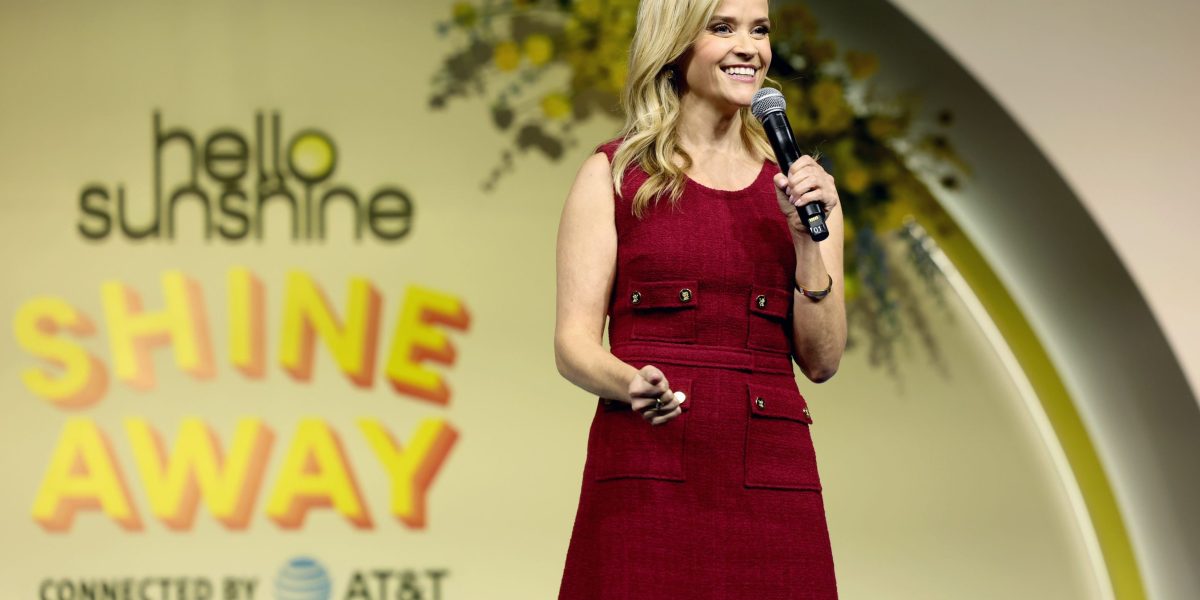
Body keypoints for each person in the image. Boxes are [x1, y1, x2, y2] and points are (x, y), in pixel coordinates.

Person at [554, 0, 845, 597]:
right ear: (676, 43)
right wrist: (628, 383)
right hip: (646, 469)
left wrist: (806, 240)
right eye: (723, 28)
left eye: (760, 30)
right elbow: (572, 344)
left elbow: (822, 360)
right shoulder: (615, 176)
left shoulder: (804, 189)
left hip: (772, 479)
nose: (749, 48)